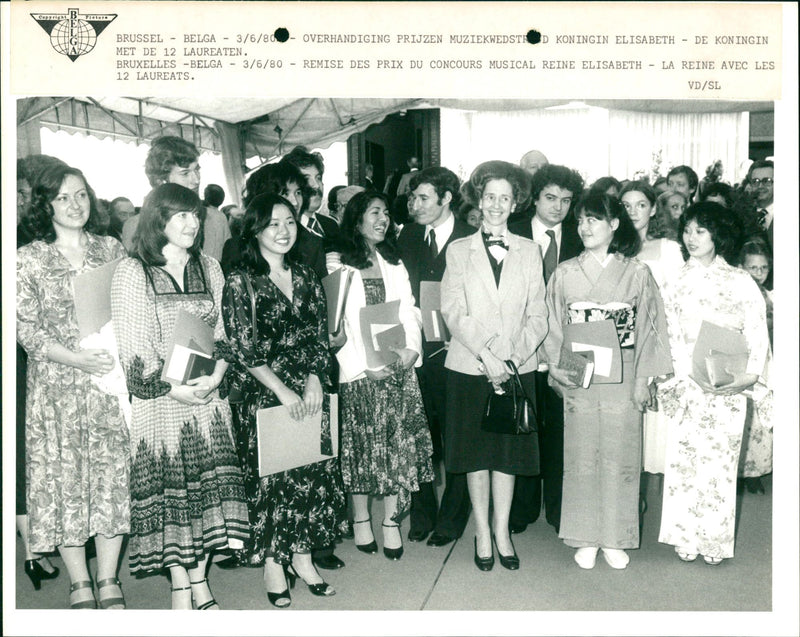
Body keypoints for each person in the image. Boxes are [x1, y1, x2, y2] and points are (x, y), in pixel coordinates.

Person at [111, 183, 249, 609]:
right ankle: (180, 584)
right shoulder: (133, 271)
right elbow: (136, 349)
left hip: (208, 398)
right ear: (158, 220)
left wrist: (216, 376)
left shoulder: (210, 267)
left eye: (195, 215)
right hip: (162, 404)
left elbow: (224, 333)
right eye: (180, 215)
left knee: (210, 495)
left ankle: (201, 580)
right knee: (175, 499)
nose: (192, 223)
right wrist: (175, 389)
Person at [222, 193, 346, 608]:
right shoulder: (240, 280)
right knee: (274, 479)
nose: (283, 231)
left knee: (312, 472)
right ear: (254, 229)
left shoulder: (308, 275)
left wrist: (314, 379)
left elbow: (318, 336)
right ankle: (275, 562)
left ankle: (304, 557)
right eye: (273, 223)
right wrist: (281, 389)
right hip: (264, 390)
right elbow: (242, 347)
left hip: (310, 386)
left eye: (290, 222)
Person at [17, 164, 130, 608]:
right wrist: (75, 358)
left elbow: (128, 310)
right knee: (62, 483)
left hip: (107, 384)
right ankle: (79, 579)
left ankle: (108, 578)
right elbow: (25, 329)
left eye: (81, 194)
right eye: (63, 197)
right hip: (56, 388)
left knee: (110, 479)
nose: (75, 204)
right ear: (45, 206)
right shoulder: (27, 258)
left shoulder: (111, 249)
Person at [543, 190, 672, 570]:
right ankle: (585, 536)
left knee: (620, 454)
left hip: (624, 370)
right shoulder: (565, 273)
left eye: (593, 219)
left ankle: (615, 536)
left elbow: (651, 327)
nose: (584, 227)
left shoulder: (637, 273)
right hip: (580, 368)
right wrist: (556, 366)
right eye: (580, 220)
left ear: (615, 225)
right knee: (581, 455)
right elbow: (553, 325)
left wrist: (643, 379)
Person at [441, 160, 548, 571]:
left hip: (516, 366)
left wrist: (513, 358)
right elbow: (452, 309)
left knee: (507, 453)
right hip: (471, 366)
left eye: (506, 198)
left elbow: (538, 314)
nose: (497, 205)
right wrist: (487, 354)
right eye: (490, 197)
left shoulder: (530, 250)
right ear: (479, 200)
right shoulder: (458, 250)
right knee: (476, 454)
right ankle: (481, 532)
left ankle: (502, 530)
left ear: (516, 202)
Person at [658, 202, 769, 565]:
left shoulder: (740, 280)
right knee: (685, 462)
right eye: (687, 230)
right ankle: (685, 537)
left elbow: (756, 331)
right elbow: (668, 333)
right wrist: (680, 374)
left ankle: (715, 540)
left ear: (717, 235)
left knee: (721, 463)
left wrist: (749, 376)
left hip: (731, 383)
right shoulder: (674, 281)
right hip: (689, 382)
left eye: (701, 231)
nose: (692, 237)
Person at [335, 191, 434, 561]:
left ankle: (392, 521)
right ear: (357, 218)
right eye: (374, 212)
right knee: (362, 449)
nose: (383, 219)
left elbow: (410, 308)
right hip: (363, 374)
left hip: (398, 367)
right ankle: (361, 518)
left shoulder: (393, 260)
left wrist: (411, 349)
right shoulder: (339, 264)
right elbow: (337, 325)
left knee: (398, 448)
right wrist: (365, 366)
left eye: (386, 214)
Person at [398, 167, 475, 548]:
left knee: (457, 435)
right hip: (417, 354)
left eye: (424, 198)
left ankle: (453, 517)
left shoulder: (470, 239)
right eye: (412, 198)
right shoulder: (408, 236)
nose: (415, 205)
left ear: (446, 199)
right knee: (418, 436)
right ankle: (422, 512)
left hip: (457, 353)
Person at [507, 163, 585, 536]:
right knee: (523, 429)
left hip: (567, 346)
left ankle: (559, 508)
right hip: (522, 344)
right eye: (551, 198)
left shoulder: (580, 236)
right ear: (534, 198)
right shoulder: (512, 233)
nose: (558, 208)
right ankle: (520, 510)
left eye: (566, 201)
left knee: (562, 431)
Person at [619, 181, 684, 478]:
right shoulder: (614, 249)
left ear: (654, 208)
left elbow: (676, 303)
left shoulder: (668, 249)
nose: (634, 212)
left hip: (657, 343)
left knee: (655, 433)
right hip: (623, 347)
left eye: (641, 205)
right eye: (627, 205)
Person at [121, 136, 231, 261]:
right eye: (185, 173)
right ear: (161, 181)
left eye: (197, 170)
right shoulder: (135, 226)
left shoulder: (217, 220)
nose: (196, 180)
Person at [220, 162, 327, 281]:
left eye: (298, 193)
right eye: (285, 193)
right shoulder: (236, 248)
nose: (295, 202)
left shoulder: (312, 246)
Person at [735, 240, 773, 496]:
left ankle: (755, 472)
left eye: (763, 268)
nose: (759, 274)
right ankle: (738, 473)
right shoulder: (736, 294)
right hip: (742, 360)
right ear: (741, 268)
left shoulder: (771, 296)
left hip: (767, 361)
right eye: (753, 268)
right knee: (743, 418)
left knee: (761, 420)